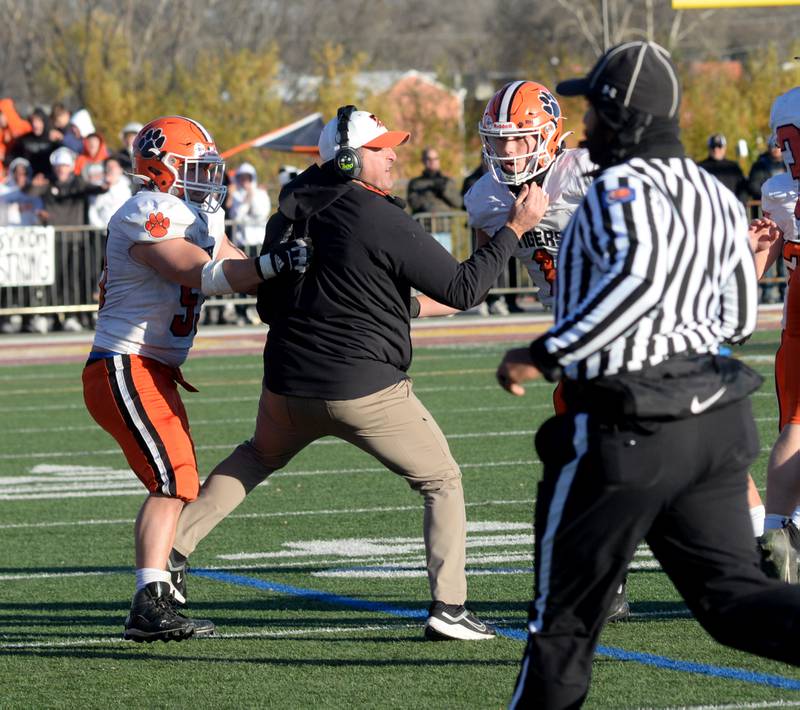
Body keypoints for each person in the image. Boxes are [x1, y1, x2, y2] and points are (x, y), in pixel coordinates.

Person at [495, 41, 800, 708]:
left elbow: (630, 287)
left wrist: (543, 351)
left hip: (627, 425)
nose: (585, 129)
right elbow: (738, 319)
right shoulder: (715, 194)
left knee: (563, 628)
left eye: (594, 113)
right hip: (716, 424)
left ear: (621, 116)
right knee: (735, 603)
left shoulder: (613, 192)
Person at [167, 105, 546, 641]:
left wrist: (393, 311)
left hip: (287, 380)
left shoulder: (289, 212)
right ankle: (450, 608)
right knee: (442, 481)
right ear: (348, 158)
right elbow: (463, 288)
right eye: (380, 148)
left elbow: (286, 298)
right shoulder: (378, 214)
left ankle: (169, 555)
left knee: (256, 456)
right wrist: (514, 228)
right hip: (364, 387)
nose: (393, 154)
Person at [81, 115, 311, 642]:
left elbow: (237, 266)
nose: (208, 177)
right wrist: (274, 265)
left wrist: (295, 280)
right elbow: (197, 271)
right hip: (125, 363)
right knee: (173, 479)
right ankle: (149, 600)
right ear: (160, 170)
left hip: (153, 368)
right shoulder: (148, 209)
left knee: (177, 478)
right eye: (194, 167)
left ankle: (156, 593)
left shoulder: (194, 214)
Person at [750, 87, 800, 581]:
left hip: (796, 315)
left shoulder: (778, 191)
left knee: (797, 426)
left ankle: (780, 526)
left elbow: (763, 257)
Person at [406, 147, 461, 214]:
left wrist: (444, 191)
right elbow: (413, 204)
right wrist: (428, 196)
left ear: (439, 160)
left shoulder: (447, 182)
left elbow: (458, 203)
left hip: (444, 222)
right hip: (423, 222)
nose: (432, 162)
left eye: (435, 159)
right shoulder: (415, 183)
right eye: (429, 159)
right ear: (423, 160)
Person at [697, 133, 748, 203]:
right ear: (709, 148)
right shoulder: (700, 168)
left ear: (725, 148)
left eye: (719, 146)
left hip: (730, 208)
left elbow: (743, 190)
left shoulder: (734, 167)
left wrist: (739, 205)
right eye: (713, 146)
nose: (716, 149)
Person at [748, 135, 785, 200]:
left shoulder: (790, 163)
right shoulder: (759, 165)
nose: (776, 149)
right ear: (768, 147)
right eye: (773, 146)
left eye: (778, 146)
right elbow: (754, 186)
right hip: (767, 203)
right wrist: (769, 196)